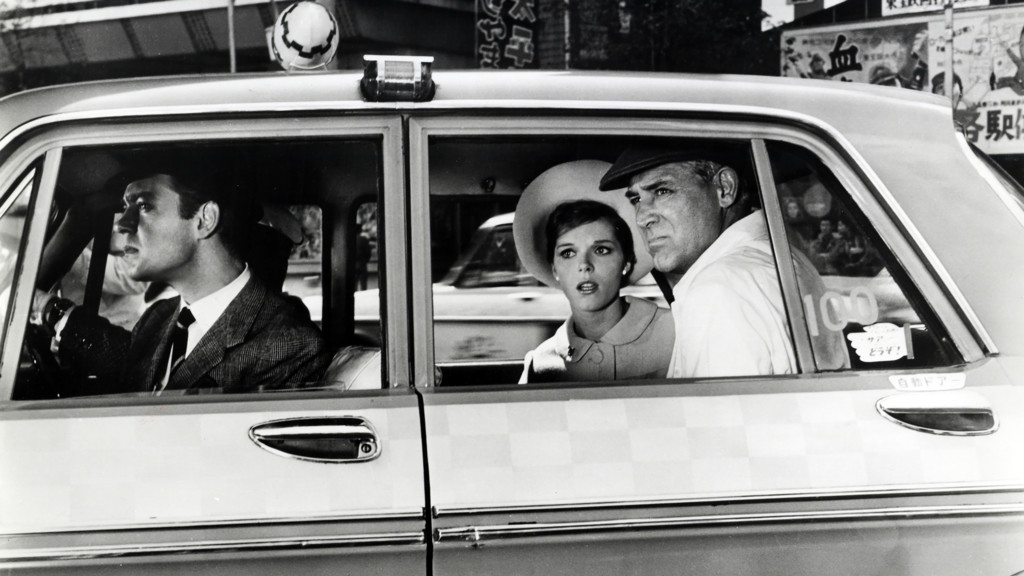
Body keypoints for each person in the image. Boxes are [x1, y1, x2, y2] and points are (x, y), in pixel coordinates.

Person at [35, 153, 330, 395]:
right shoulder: (162, 316)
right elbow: (126, 361)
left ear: (204, 220)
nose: (122, 224)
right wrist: (48, 308)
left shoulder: (288, 347)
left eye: (144, 205)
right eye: (125, 207)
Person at [599, 145, 849, 378]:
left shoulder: (717, 289)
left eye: (662, 191)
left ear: (724, 188)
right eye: (636, 200)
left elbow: (723, 411)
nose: (642, 218)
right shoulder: (784, 259)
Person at [513, 160, 674, 383]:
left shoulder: (677, 334)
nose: (584, 265)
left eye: (601, 250)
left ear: (626, 262)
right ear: (555, 269)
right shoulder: (540, 363)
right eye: (568, 253)